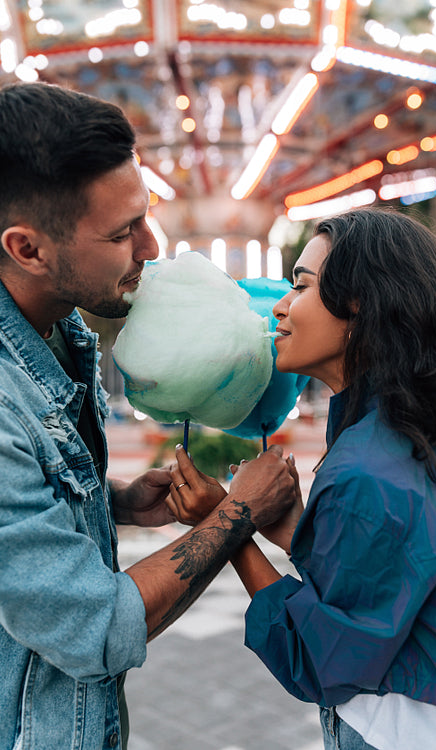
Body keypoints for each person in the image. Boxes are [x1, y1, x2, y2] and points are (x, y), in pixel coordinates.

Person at [0, 80, 297, 750]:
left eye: (145, 215)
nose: (153, 248)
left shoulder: (59, 334)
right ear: (28, 249)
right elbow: (95, 629)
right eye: (122, 231)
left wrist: (120, 505)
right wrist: (236, 513)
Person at [167, 208, 436, 750]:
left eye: (300, 286)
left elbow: (319, 661)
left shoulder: (372, 466)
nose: (279, 305)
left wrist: (229, 525)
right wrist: (295, 525)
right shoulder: (415, 431)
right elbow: (388, 582)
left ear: (359, 305)